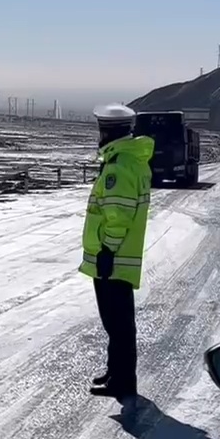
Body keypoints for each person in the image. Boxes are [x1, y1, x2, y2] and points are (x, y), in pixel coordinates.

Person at [78, 103, 154, 398]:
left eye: (101, 131)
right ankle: (116, 373)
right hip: (118, 258)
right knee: (117, 323)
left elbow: (118, 216)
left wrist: (107, 250)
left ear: (108, 132)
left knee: (118, 323)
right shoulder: (130, 161)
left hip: (113, 259)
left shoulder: (119, 168)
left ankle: (122, 381)